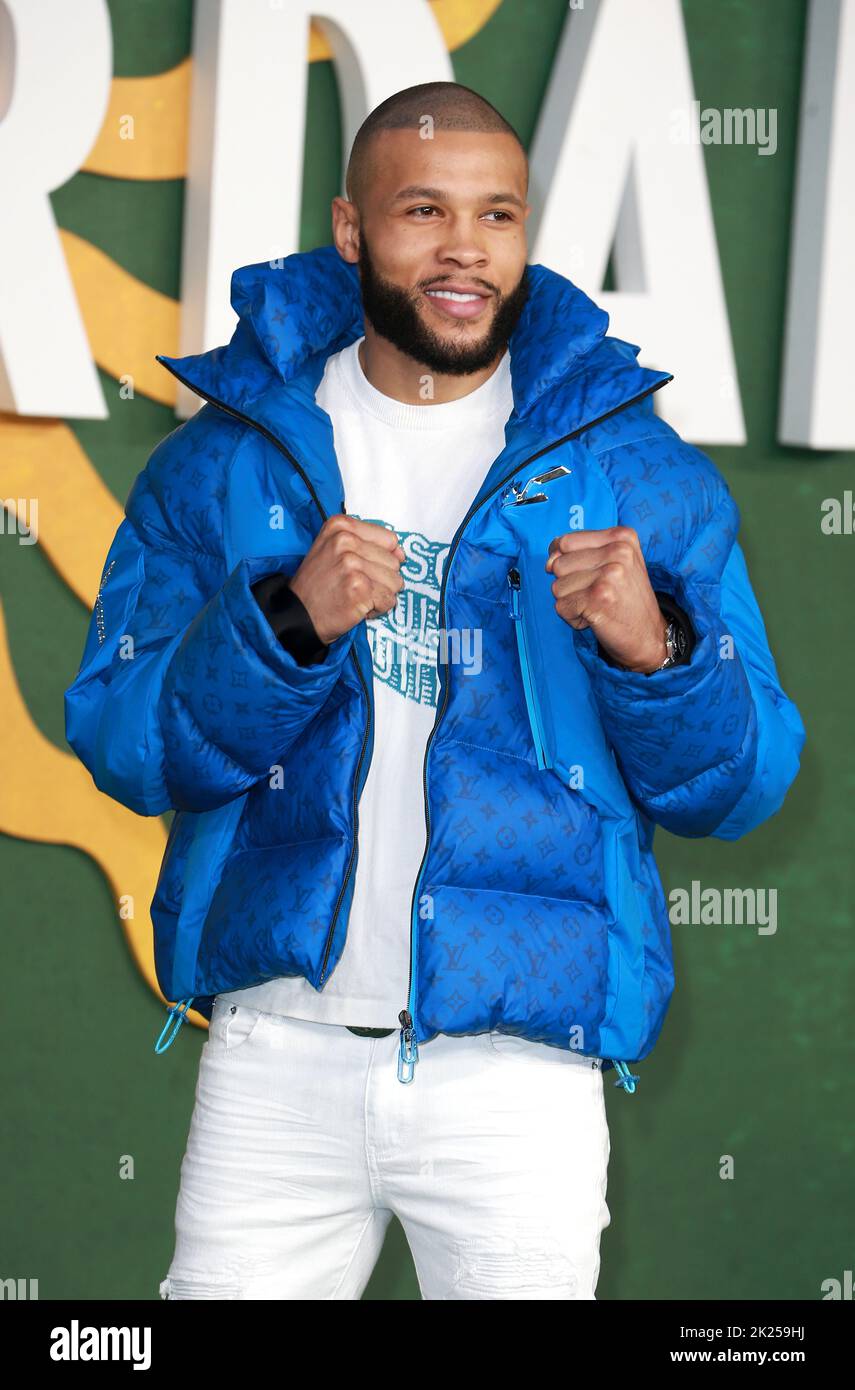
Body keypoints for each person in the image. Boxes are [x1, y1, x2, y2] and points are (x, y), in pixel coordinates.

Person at [64, 81, 804, 1300]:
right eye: (424, 211)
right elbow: (128, 743)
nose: (468, 249)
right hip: (274, 1056)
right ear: (352, 230)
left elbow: (743, 780)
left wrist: (656, 647)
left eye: (499, 215)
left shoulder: (632, 470)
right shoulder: (227, 458)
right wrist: (285, 621)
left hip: (520, 1077)